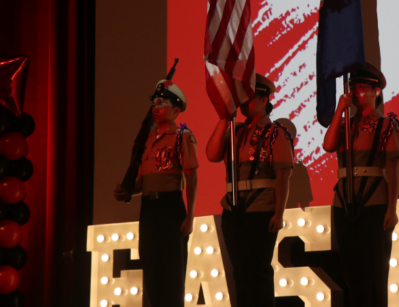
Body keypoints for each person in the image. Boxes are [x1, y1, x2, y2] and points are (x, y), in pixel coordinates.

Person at [205, 74, 294, 307]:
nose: (244, 103)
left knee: (258, 271)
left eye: (249, 97)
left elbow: (282, 175)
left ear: (264, 100)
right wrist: (225, 119)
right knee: (240, 272)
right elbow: (212, 155)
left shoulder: (277, 132)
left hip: (261, 209)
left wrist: (279, 213)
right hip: (234, 209)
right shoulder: (237, 130)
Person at [322, 62, 399, 307]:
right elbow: (328, 145)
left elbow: (392, 169)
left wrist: (391, 208)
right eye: (353, 87)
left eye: (361, 87)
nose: (356, 92)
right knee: (351, 272)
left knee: (374, 272)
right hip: (344, 201)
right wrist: (339, 111)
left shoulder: (386, 124)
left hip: (374, 201)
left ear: (376, 91)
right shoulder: (346, 125)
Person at [113, 79, 198, 307]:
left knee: (172, 274)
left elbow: (191, 178)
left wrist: (190, 217)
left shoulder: (182, 136)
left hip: (171, 207)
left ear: (176, 110)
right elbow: (145, 180)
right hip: (149, 210)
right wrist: (128, 191)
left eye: (162, 103)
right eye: (155, 103)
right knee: (152, 272)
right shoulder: (147, 140)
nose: (156, 108)